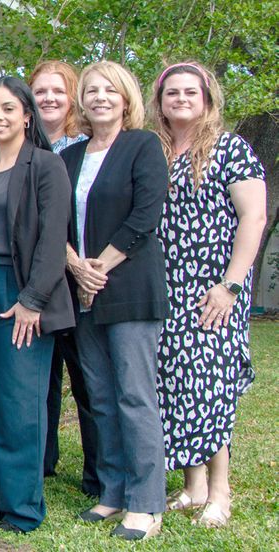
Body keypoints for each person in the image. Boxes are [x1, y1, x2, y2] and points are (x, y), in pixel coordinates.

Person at [151, 62, 268, 528]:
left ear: (207, 99)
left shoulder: (229, 149)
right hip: (165, 287)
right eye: (172, 93)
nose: (180, 99)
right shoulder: (157, 151)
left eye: (190, 93)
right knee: (179, 383)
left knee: (212, 386)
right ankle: (193, 485)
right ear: (159, 101)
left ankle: (220, 491)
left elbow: (254, 219)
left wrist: (231, 285)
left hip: (212, 289)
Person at [62, 61, 169, 540]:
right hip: (83, 290)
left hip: (127, 288)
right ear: (80, 101)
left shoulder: (142, 146)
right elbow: (55, 223)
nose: (100, 97)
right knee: (101, 397)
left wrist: (97, 266)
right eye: (91, 90)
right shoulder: (71, 156)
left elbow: (145, 215)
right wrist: (75, 267)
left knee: (133, 395)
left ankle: (147, 502)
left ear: (126, 98)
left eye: (110, 90)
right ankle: (113, 491)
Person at [0, 76, 73, 534]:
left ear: (28, 115)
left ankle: (23, 509)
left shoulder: (46, 166)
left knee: (19, 401)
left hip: (19, 289)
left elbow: (53, 240)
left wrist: (32, 301)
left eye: (8, 108)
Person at [28, 60, 98, 496]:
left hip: (86, 285)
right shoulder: (23, 144)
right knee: (42, 379)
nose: (49, 98)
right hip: (43, 279)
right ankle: (43, 459)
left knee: (87, 378)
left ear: (72, 97)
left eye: (58, 90)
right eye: (40, 91)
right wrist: (67, 260)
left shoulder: (84, 147)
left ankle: (100, 474)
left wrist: (79, 265)